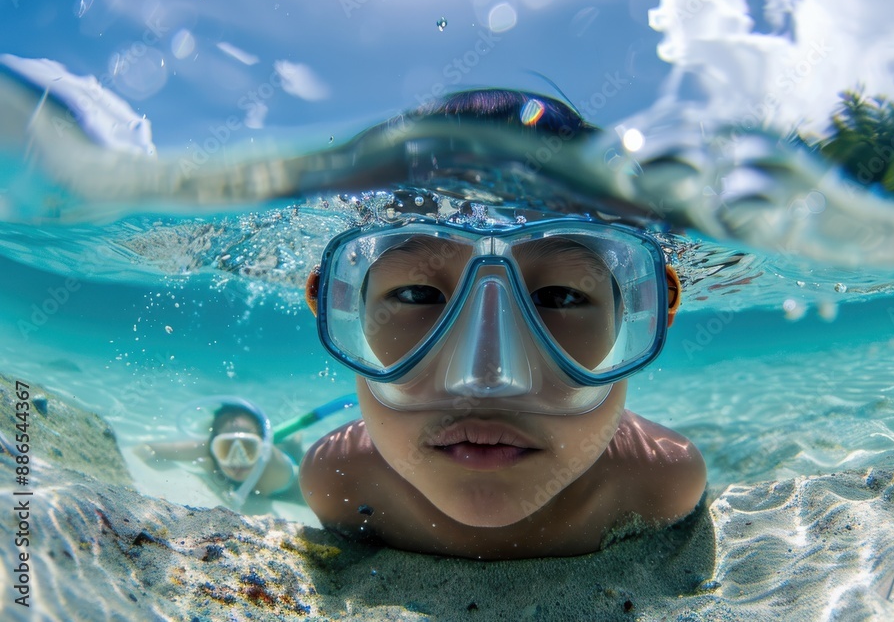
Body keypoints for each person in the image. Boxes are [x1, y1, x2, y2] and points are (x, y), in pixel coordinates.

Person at [298, 89, 706, 559]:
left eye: (560, 297)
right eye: (416, 295)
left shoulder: (665, 482)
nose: (486, 379)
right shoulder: (336, 482)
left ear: (645, 311)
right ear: (337, 307)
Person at [134, 398, 299, 503]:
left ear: (262, 447)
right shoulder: (207, 448)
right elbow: (145, 448)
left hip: (290, 473)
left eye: (247, 447)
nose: (237, 459)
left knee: (294, 446)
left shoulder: (276, 468)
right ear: (213, 444)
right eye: (226, 447)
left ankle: (295, 442)